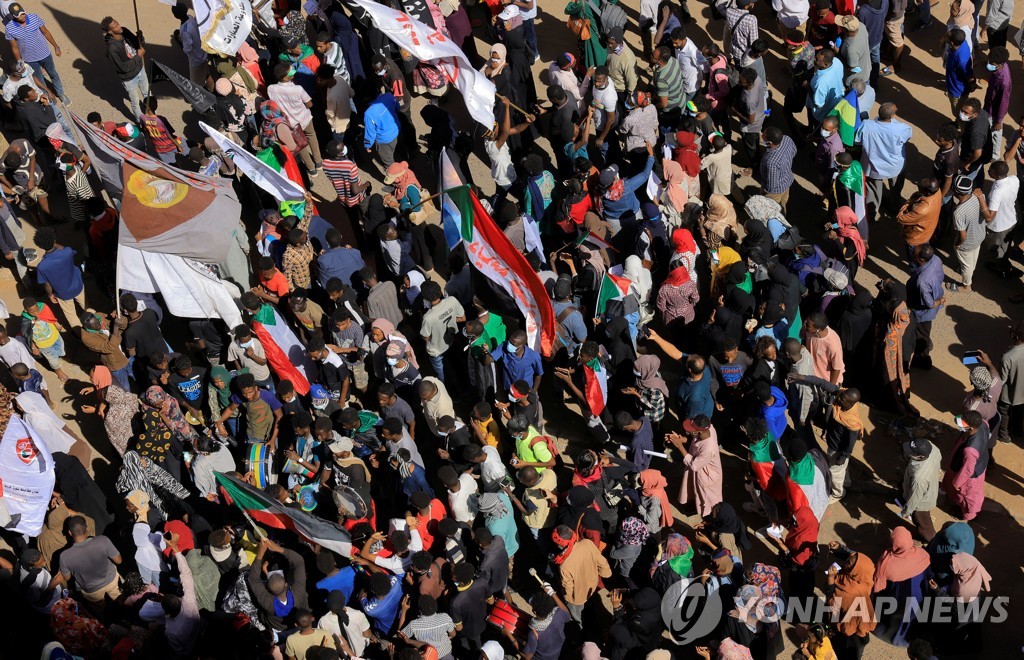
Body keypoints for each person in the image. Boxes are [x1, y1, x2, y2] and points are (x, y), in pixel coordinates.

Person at [858, 102, 913, 222]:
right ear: (892, 116)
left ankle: (871, 214)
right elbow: (908, 136)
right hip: (895, 166)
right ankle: (893, 206)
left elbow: (857, 140)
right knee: (895, 187)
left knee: (872, 190)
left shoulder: (866, 125)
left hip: (873, 166)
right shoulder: (901, 128)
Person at [6, 3, 69, 104]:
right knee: (39, 80)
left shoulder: (35, 17)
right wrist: (20, 62)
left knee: (53, 74)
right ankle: (47, 98)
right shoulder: (9, 28)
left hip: (45, 54)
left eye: (23, 13)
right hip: (29, 59)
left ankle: (61, 93)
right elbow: (14, 47)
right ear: (13, 16)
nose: (22, 17)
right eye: (19, 15)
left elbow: (46, 32)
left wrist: (56, 47)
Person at [267, 63, 322, 176]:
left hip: (289, 123)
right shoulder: (298, 89)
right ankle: (318, 162)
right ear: (286, 77)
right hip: (304, 119)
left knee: (300, 144)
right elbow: (310, 104)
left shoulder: (271, 89)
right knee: (312, 137)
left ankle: (311, 168)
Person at [58, 515, 123, 610]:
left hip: (92, 591)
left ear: (69, 533)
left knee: (99, 611)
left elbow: (67, 578)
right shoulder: (102, 540)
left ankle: (105, 622)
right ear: (87, 528)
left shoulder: (64, 556)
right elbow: (119, 561)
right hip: (112, 581)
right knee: (122, 602)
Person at [552, 524, 611, 623]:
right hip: (592, 584)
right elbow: (602, 562)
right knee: (592, 604)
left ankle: (581, 626)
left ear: (559, 544)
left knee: (578, 615)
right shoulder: (587, 543)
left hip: (578, 597)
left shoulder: (564, 566)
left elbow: (568, 588)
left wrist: (569, 599)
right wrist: (605, 573)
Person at [666, 415, 724, 516]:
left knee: (705, 500)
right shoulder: (708, 429)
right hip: (698, 470)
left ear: (698, 432)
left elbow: (694, 465)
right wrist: (681, 439)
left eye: (691, 430)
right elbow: (692, 438)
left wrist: (679, 446)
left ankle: (708, 518)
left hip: (706, 476)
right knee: (694, 490)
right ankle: (693, 504)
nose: (688, 431)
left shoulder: (708, 448)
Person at [34, 228, 85, 328]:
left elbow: (47, 284)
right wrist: (53, 242)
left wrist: (50, 295)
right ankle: (98, 323)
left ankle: (80, 334)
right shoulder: (67, 252)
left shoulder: (42, 266)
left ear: (39, 246)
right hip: (77, 285)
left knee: (71, 315)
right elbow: (61, 247)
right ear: (54, 240)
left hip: (63, 293)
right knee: (87, 305)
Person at [943, 410, 989, 520]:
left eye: (963, 426)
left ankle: (970, 515)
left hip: (969, 477)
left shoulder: (970, 450)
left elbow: (967, 469)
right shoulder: (983, 423)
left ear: (971, 428)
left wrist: (957, 483)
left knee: (968, 496)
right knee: (974, 493)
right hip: (980, 465)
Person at [101, 16, 149, 121]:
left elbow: (138, 44)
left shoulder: (125, 31)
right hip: (129, 78)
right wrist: (138, 57)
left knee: (147, 94)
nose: (119, 26)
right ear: (110, 31)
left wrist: (140, 38)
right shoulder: (112, 49)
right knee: (135, 102)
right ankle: (141, 122)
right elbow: (123, 68)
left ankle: (152, 115)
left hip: (140, 69)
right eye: (115, 26)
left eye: (117, 23)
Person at [907, 244, 945, 369]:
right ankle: (925, 342)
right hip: (932, 295)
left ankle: (924, 360)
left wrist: (939, 302)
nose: (912, 252)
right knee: (923, 332)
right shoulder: (935, 259)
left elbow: (929, 304)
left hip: (922, 313)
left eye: (914, 253)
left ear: (920, 260)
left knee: (921, 332)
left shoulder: (922, 281)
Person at [950, 174, 987, 291]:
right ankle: (970, 271)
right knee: (973, 258)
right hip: (979, 235)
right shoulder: (979, 197)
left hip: (967, 243)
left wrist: (957, 244)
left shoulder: (958, 212)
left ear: (955, 191)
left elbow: (963, 235)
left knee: (966, 265)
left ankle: (967, 286)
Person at [900, 437, 941, 541]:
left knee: (923, 522)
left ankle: (931, 540)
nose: (908, 453)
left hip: (922, 503)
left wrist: (906, 512)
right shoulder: (932, 448)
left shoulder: (919, 478)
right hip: (928, 485)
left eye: (911, 453)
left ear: (920, 456)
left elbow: (915, 498)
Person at [758, 126, 797, 211]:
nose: (761, 135)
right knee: (783, 203)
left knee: (771, 209)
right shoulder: (787, 139)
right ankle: (783, 214)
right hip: (787, 180)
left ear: (770, 142)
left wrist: (765, 192)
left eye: (763, 135)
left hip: (776, 191)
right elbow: (794, 152)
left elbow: (772, 185)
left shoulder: (772, 162)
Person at [945, 29, 974, 115]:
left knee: (958, 112)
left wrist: (972, 85)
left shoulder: (961, 61)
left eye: (947, 36)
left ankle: (959, 125)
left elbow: (970, 76)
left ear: (952, 43)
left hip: (956, 90)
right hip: (956, 86)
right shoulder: (963, 43)